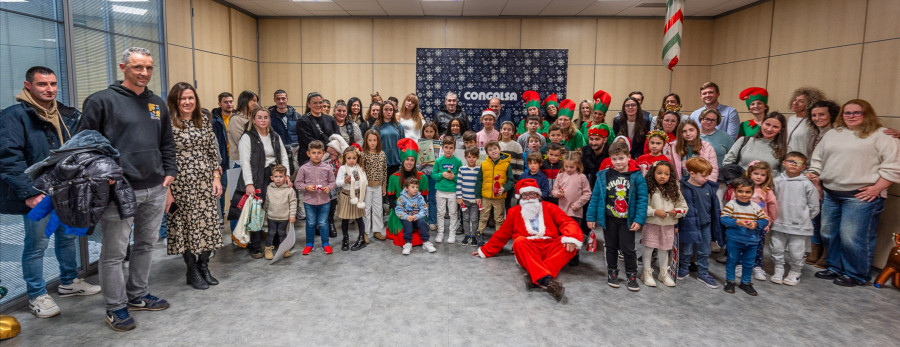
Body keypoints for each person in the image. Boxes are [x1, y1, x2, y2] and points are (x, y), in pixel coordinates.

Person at [77, 47, 176, 331]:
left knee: (146, 245)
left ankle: (138, 295)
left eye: (148, 68)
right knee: (114, 253)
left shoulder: (156, 103)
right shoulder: (101, 101)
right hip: (119, 191)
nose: (143, 73)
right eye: (137, 67)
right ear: (123, 67)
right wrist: (104, 175)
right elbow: (84, 147)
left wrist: (169, 173)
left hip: (155, 187)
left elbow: (166, 142)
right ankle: (116, 306)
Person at [0, 66, 99, 319]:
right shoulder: (14, 116)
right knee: (37, 245)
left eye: (53, 84)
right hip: (39, 194)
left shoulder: (65, 115)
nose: (50, 89)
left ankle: (68, 282)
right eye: (43, 84)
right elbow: (9, 159)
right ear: (28, 86)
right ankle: (36, 295)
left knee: (67, 238)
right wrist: (29, 193)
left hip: (66, 190)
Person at [809, 99, 900, 287]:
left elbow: (893, 166)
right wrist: (815, 178)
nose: (851, 116)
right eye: (847, 113)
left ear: (867, 114)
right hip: (831, 192)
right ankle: (834, 267)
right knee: (828, 233)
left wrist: (877, 188)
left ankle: (856, 274)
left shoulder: (882, 135)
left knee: (853, 237)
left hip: (860, 196)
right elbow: (818, 159)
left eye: (856, 112)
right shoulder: (833, 134)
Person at [472, 179, 584, 302]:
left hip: (549, 246)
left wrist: (571, 238)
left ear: (538, 195)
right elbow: (502, 234)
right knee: (519, 241)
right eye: (525, 194)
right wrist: (485, 250)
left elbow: (567, 222)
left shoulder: (550, 207)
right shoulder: (514, 212)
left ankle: (536, 278)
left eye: (532, 193)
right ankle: (546, 280)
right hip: (528, 249)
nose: (528, 197)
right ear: (520, 197)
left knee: (568, 243)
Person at [164, 82, 224, 290]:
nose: (187, 102)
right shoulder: (167, 124)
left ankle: (204, 265)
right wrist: (168, 192)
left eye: (191, 98)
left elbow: (212, 151)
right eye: (183, 98)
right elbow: (164, 158)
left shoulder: (203, 121)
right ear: (175, 101)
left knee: (209, 224)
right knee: (187, 228)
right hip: (181, 184)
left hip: (205, 181)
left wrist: (216, 177)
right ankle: (191, 269)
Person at [586, 141, 648, 292]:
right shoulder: (603, 175)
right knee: (611, 247)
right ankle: (612, 272)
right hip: (609, 219)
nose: (618, 162)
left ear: (628, 157)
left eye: (621, 158)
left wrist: (639, 219)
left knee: (628, 248)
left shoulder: (637, 177)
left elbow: (642, 200)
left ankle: (631, 275)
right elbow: (595, 197)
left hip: (627, 221)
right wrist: (591, 217)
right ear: (610, 160)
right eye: (614, 159)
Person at [231, 106, 291, 258]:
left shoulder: (274, 135)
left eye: (266, 117)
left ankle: (276, 239)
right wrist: (249, 183)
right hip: (256, 177)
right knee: (257, 211)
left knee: (276, 207)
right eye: (259, 117)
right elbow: (245, 162)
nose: (263, 120)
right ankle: (255, 245)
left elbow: (283, 157)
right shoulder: (247, 137)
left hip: (274, 176)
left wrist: (287, 175)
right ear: (253, 120)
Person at [770, 152, 819, 286]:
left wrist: (803, 218)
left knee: (796, 252)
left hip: (799, 226)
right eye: (790, 161)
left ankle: (795, 272)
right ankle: (778, 269)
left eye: (798, 163)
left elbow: (814, 206)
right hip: (779, 223)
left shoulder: (807, 184)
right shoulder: (776, 181)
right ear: (784, 163)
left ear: (803, 167)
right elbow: (770, 200)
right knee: (776, 248)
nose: (793, 165)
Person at [676, 157, 722, 289]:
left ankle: (703, 273)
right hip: (688, 224)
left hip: (705, 224)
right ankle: (684, 268)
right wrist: (676, 225)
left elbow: (715, 208)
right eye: (704, 175)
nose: (707, 178)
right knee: (687, 249)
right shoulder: (682, 188)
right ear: (692, 173)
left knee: (704, 250)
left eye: (708, 175)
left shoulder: (710, 188)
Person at [804, 100, 840, 268]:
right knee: (815, 217)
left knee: (827, 220)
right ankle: (815, 249)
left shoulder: (838, 133)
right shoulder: (813, 133)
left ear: (831, 115)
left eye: (821, 114)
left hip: (830, 180)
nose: (817, 118)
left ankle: (827, 253)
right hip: (813, 177)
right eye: (814, 115)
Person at [641, 161, 687, 287]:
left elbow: (683, 207)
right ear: (653, 173)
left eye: (666, 174)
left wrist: (676, 212)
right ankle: (646, 272)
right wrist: (654, 212)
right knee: (649, 247)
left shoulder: (675, 187)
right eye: (659, 173)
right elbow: (642, 206)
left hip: (668, 224)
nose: (662, 176)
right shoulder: (648, 187)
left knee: (664, 248)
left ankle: (663, 273)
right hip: (652, 223)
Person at [721, 177, 769, 296]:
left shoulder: (755, 206)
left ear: (752, 193)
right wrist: (737, 222)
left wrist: (756, 224)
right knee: (732, 260)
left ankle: (746, 282)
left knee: (749, 262)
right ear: (735, 192)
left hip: (752, 241)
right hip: (734, 239)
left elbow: (764, 220)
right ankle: (730, 281)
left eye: (747, 192)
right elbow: (724, 219)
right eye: (740, 191)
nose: (744, 194)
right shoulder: (731, 205)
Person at [384, 139, 430, 246]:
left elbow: (424, 198)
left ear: (415, 162)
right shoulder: (394, 178)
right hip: (399, 211)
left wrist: (417, 212)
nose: (409, 163)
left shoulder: (422, 178)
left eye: (412, 160)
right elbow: (390, 199)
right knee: (403, 236)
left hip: (416, 211)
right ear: (403, 160)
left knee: (420, 234)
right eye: (407, 159)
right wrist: (402, 212)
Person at [738, 161, 778, 281]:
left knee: (758, 247)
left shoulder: (767, 191)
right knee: (741, 246)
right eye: (756, 173)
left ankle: (757, 267)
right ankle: (739, 265)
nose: (759, 177)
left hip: (759, 225)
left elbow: (772, 206)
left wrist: (769, 220)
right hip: (742, 224)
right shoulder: (742, 188)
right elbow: (734, 203)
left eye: (762, 175)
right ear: (750, 173)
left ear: (767, 176)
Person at [294, 140, 335, 255]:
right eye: (313, 153)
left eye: (319, 153)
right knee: (310, 223)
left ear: (323, 154)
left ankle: (325, 243)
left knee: (323, 223)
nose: (316, 155)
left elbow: (333, 182)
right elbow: (298, 183)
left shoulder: (327, 168)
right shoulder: (303, 168)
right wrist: (306, 187)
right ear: (308, 154)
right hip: (309, 202)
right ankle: (309, 244)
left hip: (324, 201)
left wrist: (329, 187)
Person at [552, 151, 592, 266]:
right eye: (566, 166)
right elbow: (554, 190)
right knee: (562, 234)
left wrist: (578, 204)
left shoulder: (581, 177)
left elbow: (587, 193)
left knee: (574, 234)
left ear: (578, 165)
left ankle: (574, 255)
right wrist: (557, 193)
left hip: (575, 211)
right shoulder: (560, 175)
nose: (568, 169)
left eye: (572, 167)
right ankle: (561, 254)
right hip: (562, 211)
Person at [722, 112, 788, 174]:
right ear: (762, 124)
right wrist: (738, 182)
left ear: (781, 130)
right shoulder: (744, 141)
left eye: (775, 127)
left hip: (769, 185)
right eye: (767, 124)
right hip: (740, 184)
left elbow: (785, 173)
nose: (769, 129)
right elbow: (728, 162)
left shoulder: (785, 149)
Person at [476, 141, 515, 245]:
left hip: (500, 197)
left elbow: (511, 181)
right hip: (486, 197)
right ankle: (479, 234)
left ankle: (499, 238)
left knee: (499, 219)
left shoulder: (506, 165)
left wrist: (504, 188)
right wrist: (478, 196)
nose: (493, 151)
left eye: (495, 148)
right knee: (483, 217)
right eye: (490, 150)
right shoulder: (484, 165)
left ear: (499, 149)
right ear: (487, 153)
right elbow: (479, 181)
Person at [335, 147, 367, 252]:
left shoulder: (360, 168)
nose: (352, 160)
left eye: (354, 158)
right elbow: (337, 183)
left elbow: (365, 182)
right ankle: (345, 238)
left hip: (357, 197)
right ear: (345, 158)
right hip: (345, 195)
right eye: (349, 158)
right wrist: (345, 181)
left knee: (359, 218)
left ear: (357, 158)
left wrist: (358, 180)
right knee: (345, 219)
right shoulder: (342, 169)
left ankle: (361, 238)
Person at [432, 136, 463, 244]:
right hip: (440, 191)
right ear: (443, 147)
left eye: (451, 147)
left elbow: (461, 177)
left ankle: (452, 233)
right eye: (446, 147)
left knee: (453, 213)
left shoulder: (458, 161)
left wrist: (454, 177)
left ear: (454, 148)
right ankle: (440, 233)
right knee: (440, 213)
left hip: (453, 191)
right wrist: (442, 174)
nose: (448, 150)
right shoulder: (439, 161)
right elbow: (434, 175)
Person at [263, 164, 296, 259]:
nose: (278, 179)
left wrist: (292, 215)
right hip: (272, 217)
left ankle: (284, 249)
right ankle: (268, 249)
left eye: (281, 177)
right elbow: (267, 202)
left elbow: (293, 203)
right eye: (276, 177)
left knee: (282, 233)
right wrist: (265, 214)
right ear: (271, 177)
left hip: (284, 217)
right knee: (271, 233)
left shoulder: (289, 190)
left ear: (285, 178)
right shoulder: (269, 188)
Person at [397, 178, 437, 255]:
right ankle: (408, 243)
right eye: (412, 187)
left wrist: (417, 216)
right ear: (406, 188)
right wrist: (406, 216)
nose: (415, 189)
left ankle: (426, 242)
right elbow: (399, 210)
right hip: (407, 217)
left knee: (422, 223)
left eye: (417, 187)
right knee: (407, 224)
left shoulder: (420, 197)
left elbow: (424, 209)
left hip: (417, 217)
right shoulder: (401, 198)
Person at [296, 92, 338, 166]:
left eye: (320, 102)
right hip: (309, 160)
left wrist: (335, 150)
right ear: (309, 104)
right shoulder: (302, 121)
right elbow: (308, 140)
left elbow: (337, 136)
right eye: (315, 103)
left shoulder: (330, 119)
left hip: (330, 158)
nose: (318, 105)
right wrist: (328, 149)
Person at [360, 129, 386, 246]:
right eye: (370, 140)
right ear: (366, 141)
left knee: (378, 209)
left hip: (378, 186)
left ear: (378, 141)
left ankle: (377, 230)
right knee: (366, 210)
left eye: (374, 140)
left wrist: (384, 186)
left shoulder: (382, 154)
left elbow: (384, 171)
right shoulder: (363, 154)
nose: (372, 143)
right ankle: (365, 232)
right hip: (367, 186)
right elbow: (361, 171)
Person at [785, 87, 826, 156]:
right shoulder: (790, 119)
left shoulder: (813, 121)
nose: (795, 103)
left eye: (801, 101)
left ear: (810, 104)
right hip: (787, 160)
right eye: (795, 100)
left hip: (803, 161)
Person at [210, 93, 231, 216]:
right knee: (221, 188)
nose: (229, 104)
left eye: (231, 101)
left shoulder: (236, 117)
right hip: (222, 158)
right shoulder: (215, 119)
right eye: (226, 102)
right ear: (220, 104)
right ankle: (221, 215)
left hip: (235, 157)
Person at [456, 147, 482, 246]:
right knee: (465, 218)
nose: (471, 159)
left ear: (478, 158)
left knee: (474, 219)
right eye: (469, 157)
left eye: (474, 157)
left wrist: (480, 197)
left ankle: (474, 235)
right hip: (464, 200)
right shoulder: (462, 169)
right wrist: (459, 197)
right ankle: (467, 235)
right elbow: (459, 184)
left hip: (475, 200)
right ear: (465, 157)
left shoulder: (479, 169)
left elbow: (480, 184)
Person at [375, 101, 405, 177]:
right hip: (381, 163)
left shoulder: (398, 126)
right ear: (381, 111)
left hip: (397, 163)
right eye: (386, 109)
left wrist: (403, 161)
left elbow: (403, 146)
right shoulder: (376, 127)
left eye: (391, 110)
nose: (389, 112)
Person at [226, 90, 258, 161]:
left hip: (254, 159)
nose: (256, 104)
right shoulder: (235, 119)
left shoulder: (254, 117)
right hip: (239, 161)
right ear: (245, 101)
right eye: (253, 100)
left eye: (256, 101)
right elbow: (241, 141)